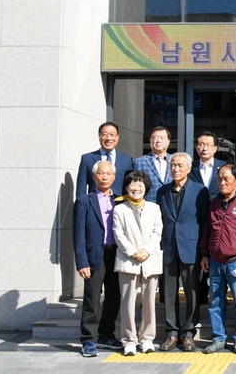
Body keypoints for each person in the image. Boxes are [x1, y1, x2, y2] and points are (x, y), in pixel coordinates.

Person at [199, 165, 236, 354]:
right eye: (219, 179)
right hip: (215, 261)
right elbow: (208, 230)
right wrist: (204, 254)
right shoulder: (214, 202)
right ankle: (218, 338)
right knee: (215, 302)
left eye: (226, 179)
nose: (222, 182)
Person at [157, 153, 210, 352]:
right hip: (169, 248)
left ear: (188, 168)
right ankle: (171, 333)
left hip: (191, 249)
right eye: (173, 165)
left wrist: (204, 252)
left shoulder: (200, 191)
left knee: (192, 293)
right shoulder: (162, 191)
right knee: (169, 293)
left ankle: (188, 333)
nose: (176, 169)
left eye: (180, 165)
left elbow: (205, 223)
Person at [73, 160, 122, 357]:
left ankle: (106, 335)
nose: (104, 177)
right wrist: (81, 261)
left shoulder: (120, 200)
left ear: (114, 177)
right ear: (94, 177)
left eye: (108, 173)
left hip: (116, 255)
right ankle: (88, 340)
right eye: (101, 173)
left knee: (113, 298)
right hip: (95, 255)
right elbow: (78, 234)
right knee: (92, 299)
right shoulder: (84, 201)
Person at [112, 170, 163, 356]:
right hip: (128, 261)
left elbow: (157, 232)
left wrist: (146, 251)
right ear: (126, 188)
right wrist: (133, 252)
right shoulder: (119, 209)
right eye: (132, 184)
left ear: (146, 187)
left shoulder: (154, 208)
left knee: (149, 303)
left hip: (150, 260)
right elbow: (118, 234)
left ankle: (147, 339)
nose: (136, 187)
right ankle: (129, 340)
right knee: (127, 303)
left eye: (140, 184)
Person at [76, 122, 133, 197]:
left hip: (119, 203)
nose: (109, 138)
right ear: (99, 136)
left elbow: (130, 186)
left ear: (117, 137)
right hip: (94, 203)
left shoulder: (127, 160)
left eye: (112, 135)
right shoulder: (87, 159)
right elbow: (81, 190)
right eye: (104, 134)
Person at [132, 126, 172, 203]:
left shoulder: (175, 160)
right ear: (150, 140)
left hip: (171, 206)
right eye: (155, 137)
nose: (159, 140)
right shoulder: (139, 162)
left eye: (162, 137)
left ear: (168, 141)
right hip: (148, 205)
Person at [189, 131, 227, 200]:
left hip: (218, 204)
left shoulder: (224, 166)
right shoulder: (190, 167)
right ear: (196, 147)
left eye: (208, 145)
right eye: (201, 144)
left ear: (215, 148)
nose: (205, 148)